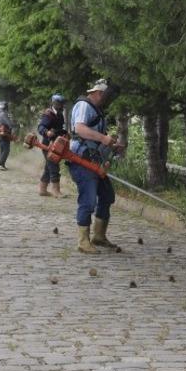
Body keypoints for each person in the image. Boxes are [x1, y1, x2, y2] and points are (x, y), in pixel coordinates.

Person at [69, 79, 122, 254]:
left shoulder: (97, 111)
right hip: (81, 159)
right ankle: (83, 241)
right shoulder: (84, 106)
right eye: (105, 96)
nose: (107, 100)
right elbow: (80, 129)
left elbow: (95, 137)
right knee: (88, 199)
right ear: (97, 93)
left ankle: (99, 236)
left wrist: (111, 145)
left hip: (95, 160)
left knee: (106, 196)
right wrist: (103, 138)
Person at [36, 93, 68, 197]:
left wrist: (65, 133)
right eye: (60, 104)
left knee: (48, 166)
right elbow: (41, 127)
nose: (62, 106)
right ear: (54, 103)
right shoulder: (48, 114)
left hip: (57, 143)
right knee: (53, 165)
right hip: (48, 143)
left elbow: (59, 128)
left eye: (62, 104)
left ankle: (42, 189)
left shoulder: (59, 114)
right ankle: (56, 190)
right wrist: (46, 132)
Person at [0, 101, 15, 170]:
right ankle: (0, 164)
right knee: (6, 150)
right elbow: (9, 124)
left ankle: (1, 163)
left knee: (2, 149)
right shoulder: (3, 114)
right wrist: (13, 125)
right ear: (5, 106)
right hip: (5, 132)